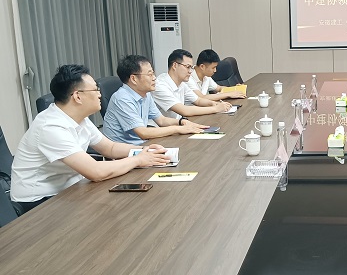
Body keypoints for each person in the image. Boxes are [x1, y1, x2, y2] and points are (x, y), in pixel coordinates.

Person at [10, 65, 170, 213]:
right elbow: (96, 172)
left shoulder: (80, 118)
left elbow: (110, 148)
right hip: (38, 201)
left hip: (70, 188)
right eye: (95, 89)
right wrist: (138, 159)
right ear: (77, 96)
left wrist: (144, 150)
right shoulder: (50, 127)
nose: (100, 94)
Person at [103, 55, 208, 145]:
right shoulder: (122, 99)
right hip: (124, 151)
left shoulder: (145, 94)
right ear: (134, 79)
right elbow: (143, 133)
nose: (154, 78)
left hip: (142, 144)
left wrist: (182, 122)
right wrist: (178, 129)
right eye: (150, 74)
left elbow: (161, 120)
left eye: (153, 74)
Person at [152, 49, 231, 119]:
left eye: (191, 67)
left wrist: (215, 104)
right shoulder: (160, 86)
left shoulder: (181, 83)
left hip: (179, 123)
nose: (190, 71)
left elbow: (198, 100)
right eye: (187, 67)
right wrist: (216, 109)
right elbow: (184, 110)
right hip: (163, 129)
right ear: (175, 66)